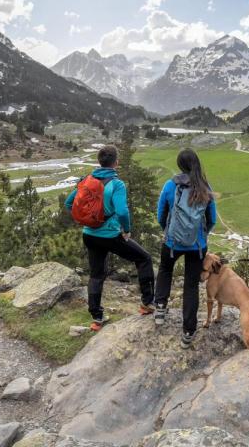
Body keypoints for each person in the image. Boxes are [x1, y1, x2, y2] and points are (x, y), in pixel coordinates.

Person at [66, 145, 155, 331]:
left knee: (96, 275)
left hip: (89, 235)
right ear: (116, 162)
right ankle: (147, 304)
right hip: (111, 235)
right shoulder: (116, 184)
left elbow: (69, 203)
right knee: (144, 258)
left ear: (100, 161)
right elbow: (122, 210)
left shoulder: (87, 180)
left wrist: (89, 220)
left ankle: (97, 318)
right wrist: (127, 229)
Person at [153, 148, 217, 348]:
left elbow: (160, 214)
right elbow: (212, 219)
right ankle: (188, 331)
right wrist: (202, 237)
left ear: (180, 165)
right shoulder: (205, 187)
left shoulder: (170, 185)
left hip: (172, 243)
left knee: (165, 270)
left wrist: (168, 232)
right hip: (197, 246)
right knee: (190, 285)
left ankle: (161, 308)